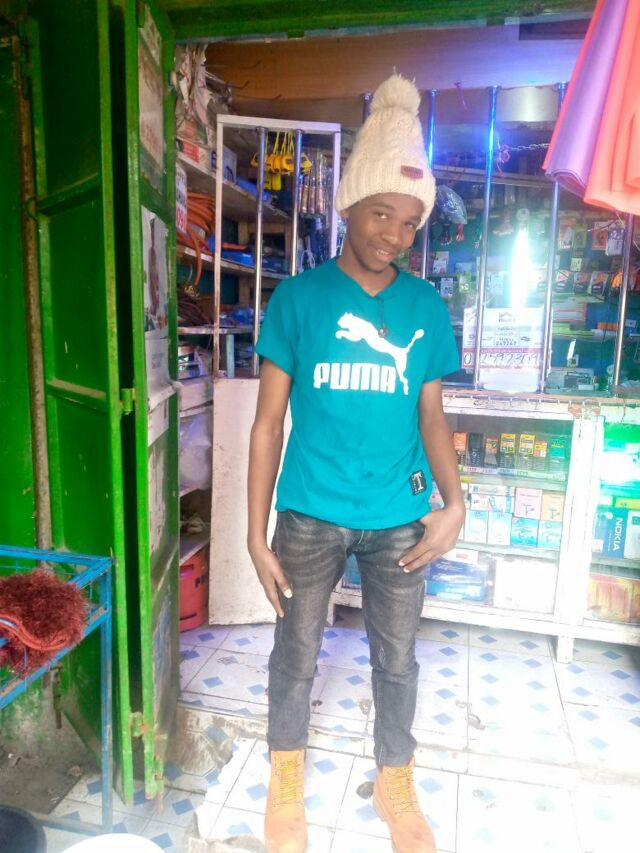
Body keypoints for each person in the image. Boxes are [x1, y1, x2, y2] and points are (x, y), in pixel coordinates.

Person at [247, 73, 465, 853]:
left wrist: (455, 503)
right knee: (296, 653)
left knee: (397, 660)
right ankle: (286, 775)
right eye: (381, 214)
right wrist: (254, 533)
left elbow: (432, 416)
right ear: (348, 207)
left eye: (409, 222)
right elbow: (267, 423)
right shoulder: (297, 301)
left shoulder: (425, 307)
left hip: (398, 518)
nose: (395, 235)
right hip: (309, 511)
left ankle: (394, 780)